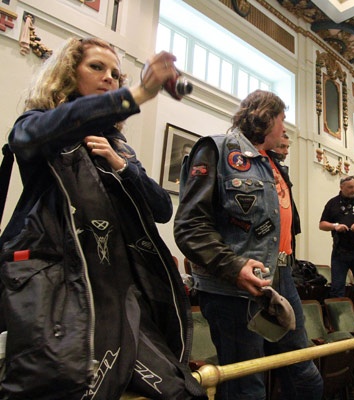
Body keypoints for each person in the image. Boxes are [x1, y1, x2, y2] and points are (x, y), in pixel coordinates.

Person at [0, 37, 204, 399]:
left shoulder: (119, 147)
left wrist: (123, 166)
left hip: (118, 293)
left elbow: (162, 209)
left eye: (115, 73)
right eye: (96, 67)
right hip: (56, 290)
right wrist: (136, 94)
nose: (109, 77)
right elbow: (37, 133)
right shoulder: (38, 125)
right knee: (62, 389)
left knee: (181, 390)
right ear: (68, 74)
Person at [174, 90, 323, 400]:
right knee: (246, 389)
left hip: (281, 278)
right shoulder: (215, 149)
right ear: (266, 116)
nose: (284, 129)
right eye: (282, 120)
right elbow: (190, 227)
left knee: (305, 376)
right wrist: (235, 267)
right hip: (233, 288)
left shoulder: (273, 165)